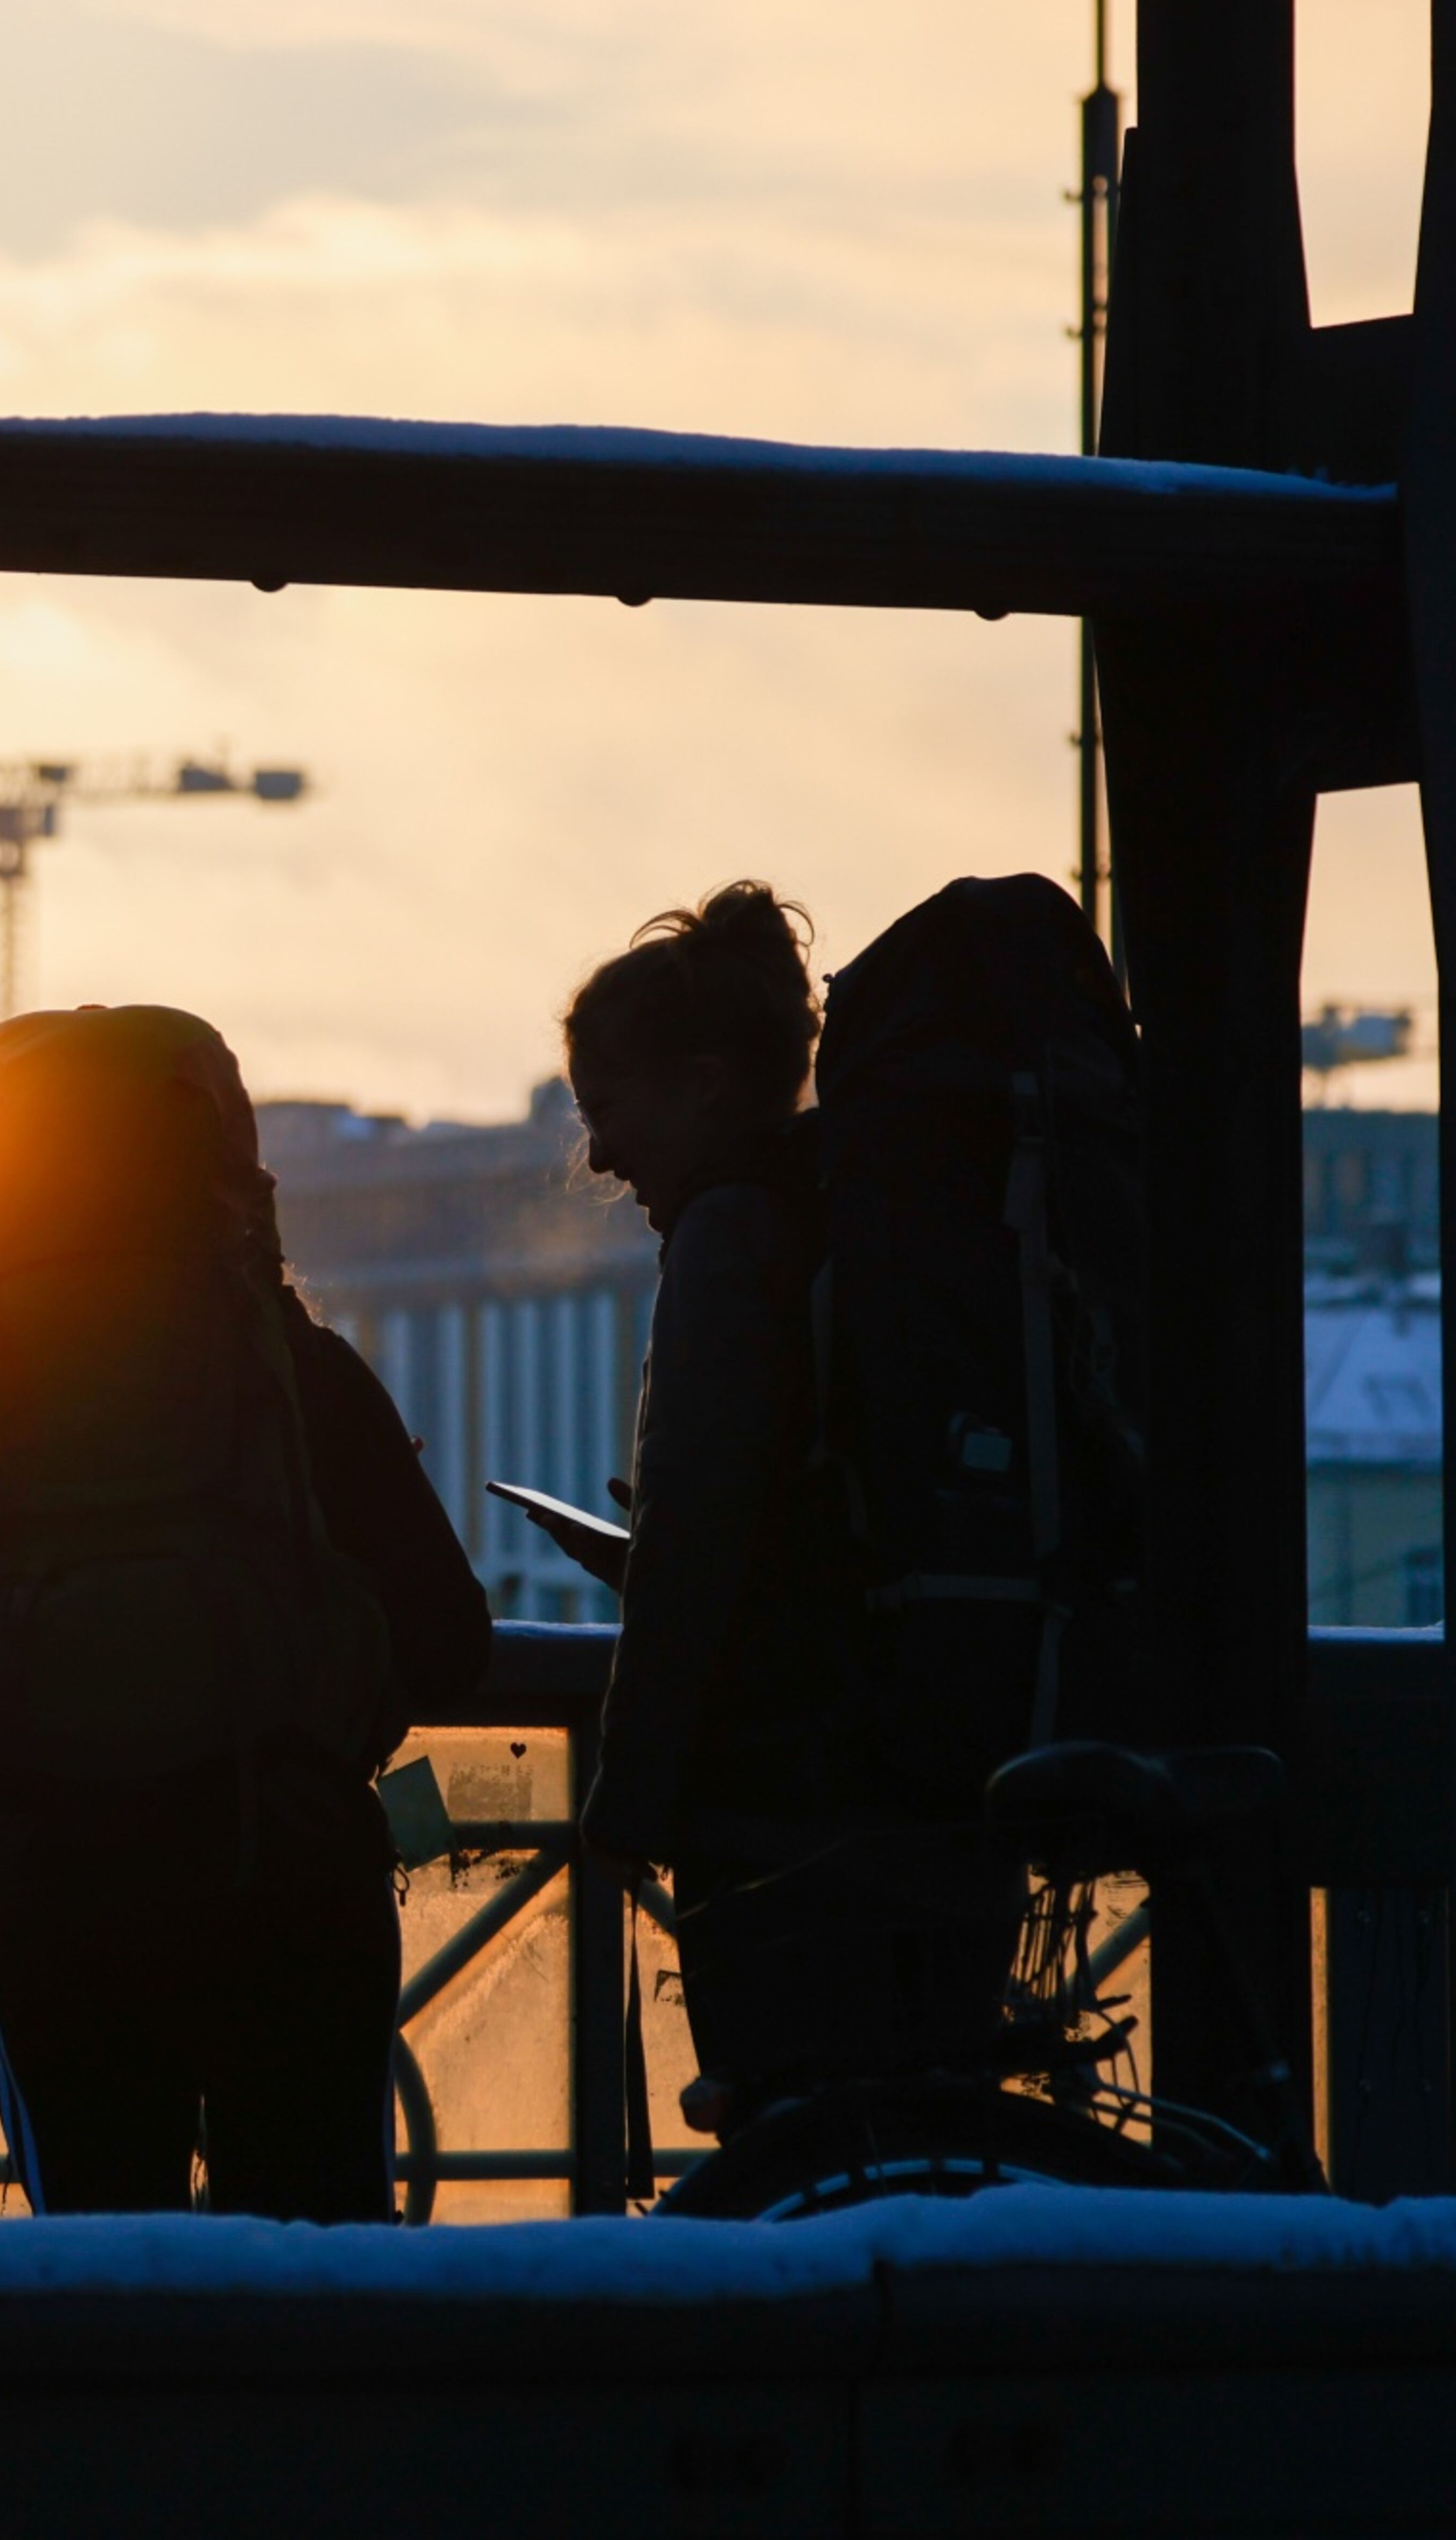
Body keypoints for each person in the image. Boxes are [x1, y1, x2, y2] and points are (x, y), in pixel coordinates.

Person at [0, 1006, 491, 2223]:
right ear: (230, 1179)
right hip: (290, 1886)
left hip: (57, 1899)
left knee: (102, 2277)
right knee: (316, 2269)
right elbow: (448, 1640)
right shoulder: (296, 1373)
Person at [538, 884, 1015, 2127]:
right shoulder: (855, 1213)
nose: (601, 1157)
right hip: (944, 1759)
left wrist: (626, 1801)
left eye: (607, 1110)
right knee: (933, 2138)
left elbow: (698, 1541)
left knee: (803, 2139)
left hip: (788, 1805)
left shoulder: (735, 1234)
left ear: (703, 1087)